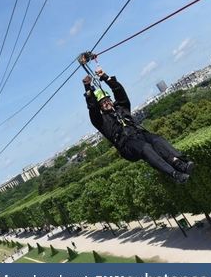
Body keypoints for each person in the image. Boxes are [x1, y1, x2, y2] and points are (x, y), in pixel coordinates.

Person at [80, 54, 194, 183]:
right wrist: (87, 87)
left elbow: (119, 91)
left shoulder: (122, 108)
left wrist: (105, 77)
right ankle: (174, 174)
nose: (106, 103)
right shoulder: (100, 121)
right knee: (145, 148)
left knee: (157, 140)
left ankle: (180, 163)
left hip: (139, 134)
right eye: (103, 103)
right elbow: (92, 108)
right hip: (127, 145)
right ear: (100, 107)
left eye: (107, 100)